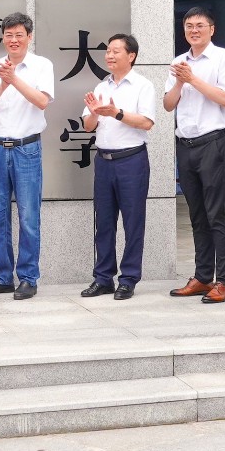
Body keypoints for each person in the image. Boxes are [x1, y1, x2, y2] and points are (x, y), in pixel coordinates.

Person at [0, 12, 55, 301]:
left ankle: (29, 278)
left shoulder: (42, 65)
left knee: (29, 217)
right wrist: (2, 83)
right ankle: (3, 276)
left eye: (19, 34)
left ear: (29, 37)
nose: (14, 40)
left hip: (27, 149)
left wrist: (15, 79)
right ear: (3, 38)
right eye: (9, 35)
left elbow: (42, 101)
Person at [164, 7, 225, 304]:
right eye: (188, 26)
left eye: (199, 26)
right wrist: (181, 81)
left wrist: (193, 79)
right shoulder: (178, 62)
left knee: (216, 213)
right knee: (196, 214)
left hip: (213, 143)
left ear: (212, 29)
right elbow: (169, 105)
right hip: (186, 144)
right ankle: (202, 276)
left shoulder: (224, 58)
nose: (193, 30)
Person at [80, 34, 156, 301]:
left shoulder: (143, 86)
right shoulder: (101, 87)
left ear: (131, 56)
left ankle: (128, 279)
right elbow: (88, 126)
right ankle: (103, 278)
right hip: (104, 161)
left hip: (131, 161)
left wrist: (117, 113)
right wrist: (93, 112)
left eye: (115, 51)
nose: (109, 56)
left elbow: (147, 122)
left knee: (133, 222)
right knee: (104, 223)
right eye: (108, 51)